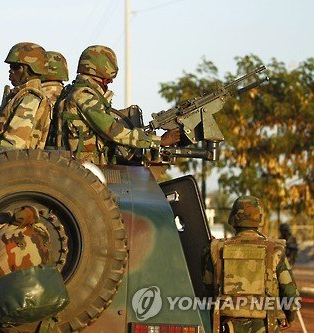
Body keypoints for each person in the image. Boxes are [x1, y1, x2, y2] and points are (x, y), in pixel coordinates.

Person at [56, 45, 180, 164]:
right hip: (84, 166)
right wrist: (159, 141)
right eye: (107, 80)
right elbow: (112, 130)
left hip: (84, 164)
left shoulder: (75, 90)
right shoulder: (84, 95)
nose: (109, 83)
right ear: (100, 76)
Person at [203, 196, 300, 333]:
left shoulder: (216, 248)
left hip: (225, 325)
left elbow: (205, 290)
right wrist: (289, 318)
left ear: (233, 218)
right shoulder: (275, 250)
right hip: (267, 325)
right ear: (260, 218)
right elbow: (291, 295)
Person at [0, 42, 51, 149]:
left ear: (29, 70)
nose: (11, 71)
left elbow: (13, 144)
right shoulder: (19, 95)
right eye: (10, 66)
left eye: (15, 67)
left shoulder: (30, 98)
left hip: (12, 161)